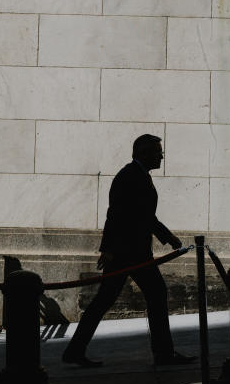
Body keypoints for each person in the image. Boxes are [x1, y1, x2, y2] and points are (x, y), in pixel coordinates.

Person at [62, 134, 195, 368]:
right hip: (127, 253)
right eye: (157, 152)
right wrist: (109, 250)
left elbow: (144, 216)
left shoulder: (139, 176)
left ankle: (75, 350)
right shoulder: (129, 176)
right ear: (143, 154)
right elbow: (115, 215)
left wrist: (168, 236)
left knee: (110, 300)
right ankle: (163, 354)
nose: (162, 156)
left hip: (132, 252)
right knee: (146, 296)